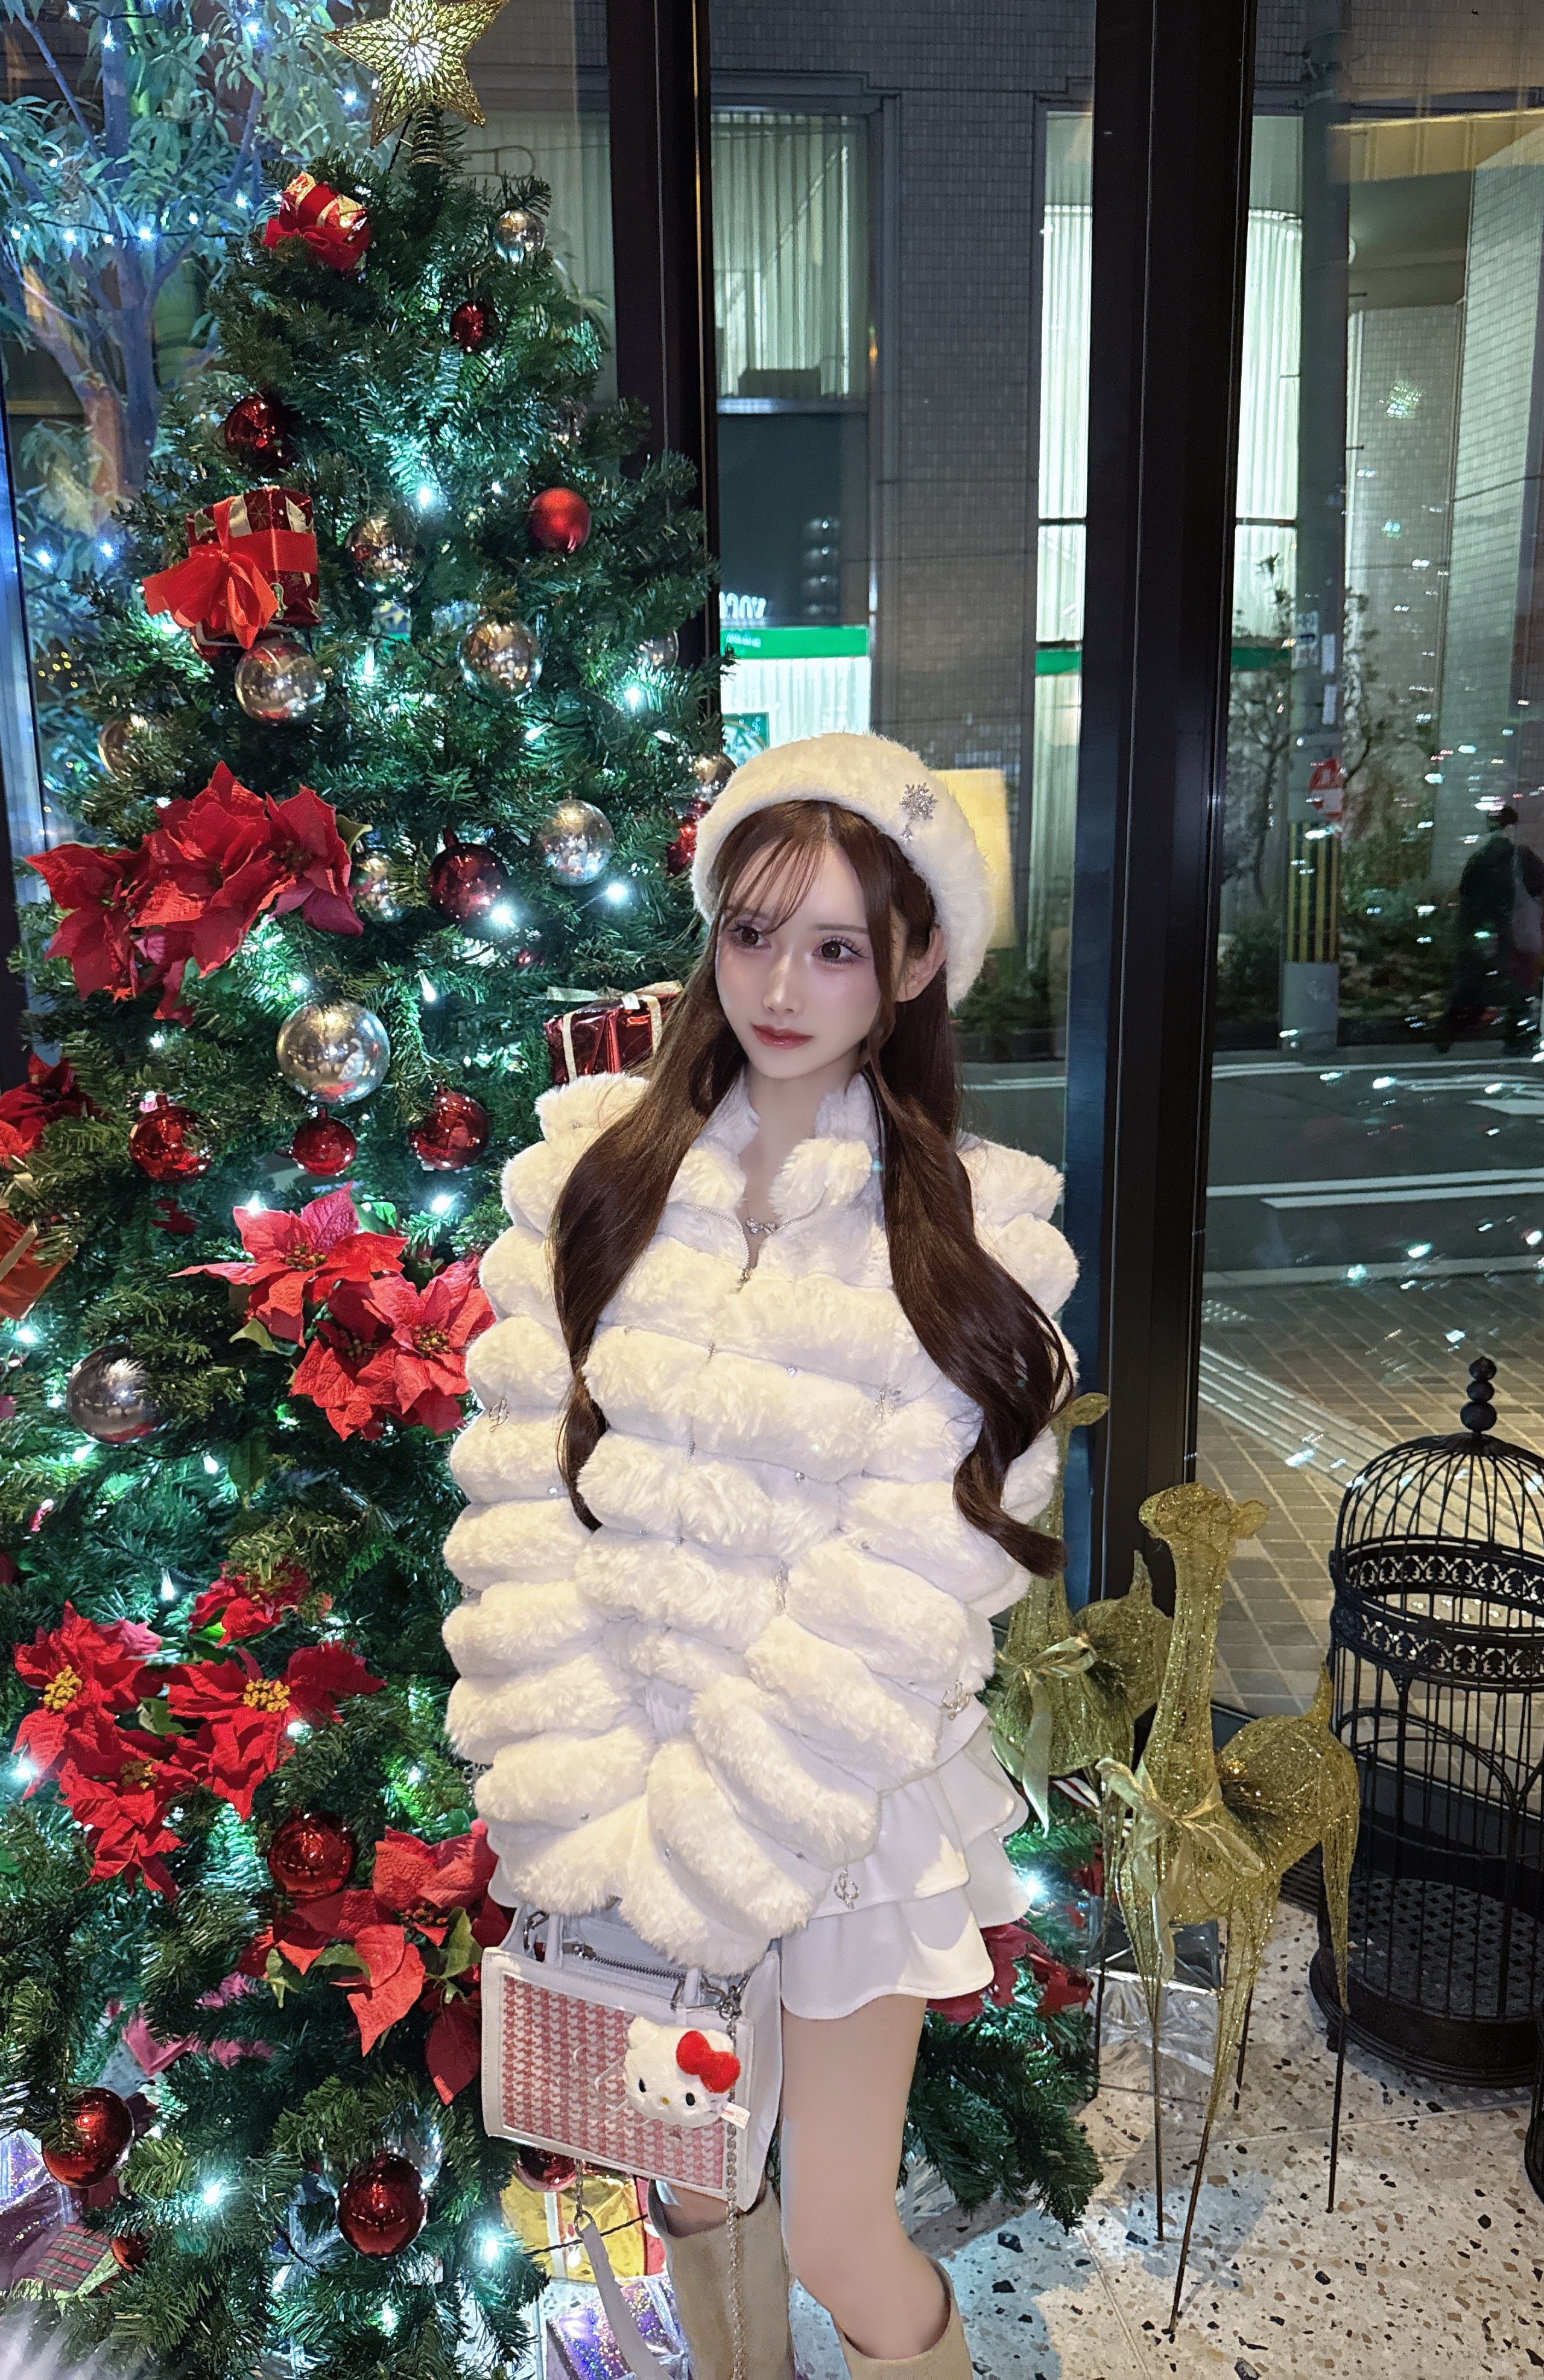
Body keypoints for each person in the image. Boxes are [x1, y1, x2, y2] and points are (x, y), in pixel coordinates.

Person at [443, 733, 1077, 2380]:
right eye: (752, 932)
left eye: (837, 946)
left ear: (916, 962)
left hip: (842, 1801)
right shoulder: (595, 1177)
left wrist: (722, 1831)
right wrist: (593, 1784)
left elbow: (917, 1580)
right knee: (690, 2187)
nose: (782, 985)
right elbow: (521, 1494)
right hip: (626, 1777)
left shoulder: (974, 1235)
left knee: (838, 2233)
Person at [1435, 804, 1544, 1052]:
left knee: (1473, 978)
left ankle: (1452, 1029)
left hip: (1483, 927)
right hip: (1509, 928)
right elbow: (1541, 883)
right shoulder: (1520, 856)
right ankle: (1517, 1036)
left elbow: (1468, 893)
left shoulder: (1481, 857)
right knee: (1515, 982)